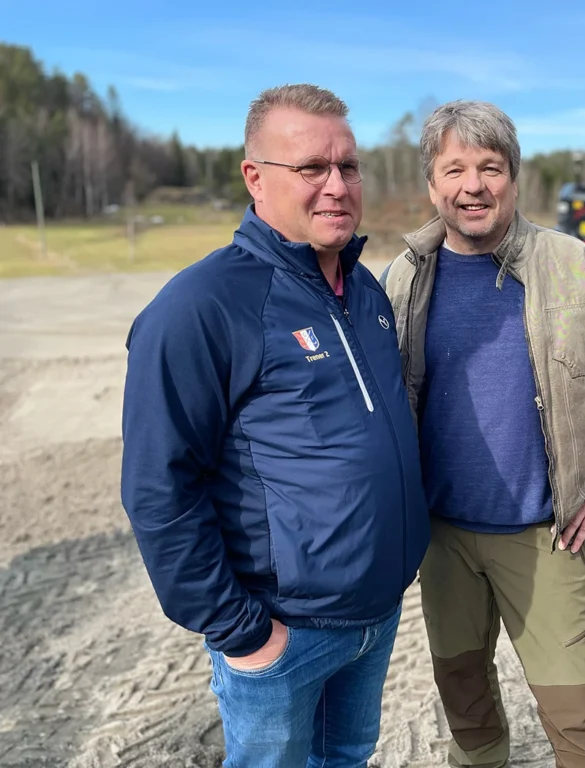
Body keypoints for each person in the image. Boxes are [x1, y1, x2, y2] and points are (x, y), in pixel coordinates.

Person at [120, 83, 431, 768]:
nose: (337, 186)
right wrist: (242, 631)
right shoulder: (202, 307)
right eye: (312, 168)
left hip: (373, 618)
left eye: (348, 167)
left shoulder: (366, 291)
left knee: (347, 757)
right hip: (283, 632)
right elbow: (157, 487)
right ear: (255, 179)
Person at [381, 100, 585, 767]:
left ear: (515, 177)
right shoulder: (401, 280)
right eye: (454, 169)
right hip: (443, 541)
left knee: (581, 727)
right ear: (432, 185)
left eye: (490, 167)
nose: (472, 185)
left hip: (546, 537)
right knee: (466, 706)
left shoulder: (578, 268)